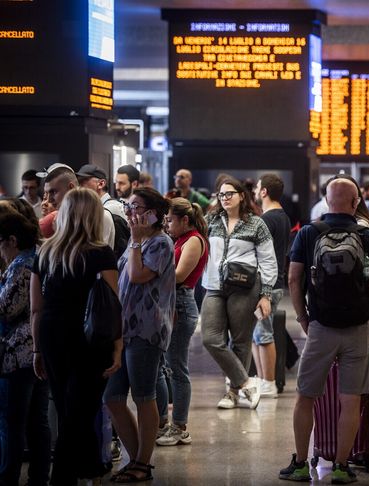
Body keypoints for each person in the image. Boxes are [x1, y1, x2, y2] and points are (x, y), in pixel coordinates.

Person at [280, 178, 369, 484]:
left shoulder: (308, 233)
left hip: (321, 327)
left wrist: (303, 318)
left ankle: (301, 463)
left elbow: (293, 278)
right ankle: (342, 466)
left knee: (305, 396)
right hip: (357, 329)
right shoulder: (367, 235)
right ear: (356, 203)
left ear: (326, 201)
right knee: (350, 399)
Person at [30, 188, 122, 484]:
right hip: (89, 339)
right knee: (81, 411)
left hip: (52, 335)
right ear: (94, 216)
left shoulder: (44, 251)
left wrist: (36, 350)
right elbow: (112, 305)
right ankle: (71, 473)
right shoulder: (101, 253)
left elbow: (36, 309)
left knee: (65, 406)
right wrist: (118, 347)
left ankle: (84, 468)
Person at [104, 187, 175, 483]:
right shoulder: (138, 242)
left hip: (147, 330)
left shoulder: (160, 242)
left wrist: (134, 241)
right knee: (113, 398)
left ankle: (142, 463)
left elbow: (137, 276)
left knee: (144, 397)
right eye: (128, 206)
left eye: (137, 207)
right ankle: (136, 460)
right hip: (123, 329)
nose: (131, 213)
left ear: (154, 213)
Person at [202, 177, 277, 410]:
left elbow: (268, 261)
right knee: (211, 338)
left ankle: (233, 393)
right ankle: (246, 382)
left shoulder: (256, 224)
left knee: (241, 341)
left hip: (245, 287)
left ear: (241, 196)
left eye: (229, 194)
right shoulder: (210, 220)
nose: (224, 198)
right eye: (221, 195)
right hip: (214, 286)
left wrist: (266, 295)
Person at [0, 211, 50, 486]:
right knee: (36, 421)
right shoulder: (39, 255)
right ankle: (38, 477)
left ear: (12, 240)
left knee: (12, 422)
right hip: (36, 351)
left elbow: (6, 308)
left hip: (20, 354)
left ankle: (8, 477)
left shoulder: (22, 264)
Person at [156, 198, 209, 446]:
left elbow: (179, 276)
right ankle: (167, 423)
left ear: (184, 220)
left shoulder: (194, 240)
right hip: (171, 304)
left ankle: (180, 426)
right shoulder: (179, 239)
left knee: (177, 368)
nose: (166, 225)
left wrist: (150, 272)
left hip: (182, 305)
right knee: (168, 367)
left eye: (170, 220)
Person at [252, 173, 291, 398]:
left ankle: (268, 381)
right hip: (274, 282)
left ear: (264, 191)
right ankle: (262, 379)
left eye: (258, 188)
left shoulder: (267, 219)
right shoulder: (282, 216)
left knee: (264, 333)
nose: (256, 192)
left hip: (267, 285)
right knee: (258, 334)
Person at [42, 165, 117, 250]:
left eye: (53, 192)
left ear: (71, 187)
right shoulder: (60, 217)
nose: (49, 200)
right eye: (47, 193)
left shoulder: (100, 216)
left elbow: (97, 256)